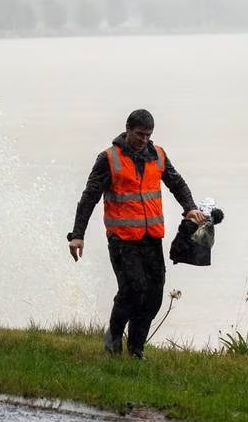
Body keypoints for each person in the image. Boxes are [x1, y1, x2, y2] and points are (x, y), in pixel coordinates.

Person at [66, 108, 205, 359]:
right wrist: (78, 234)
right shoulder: (109, 159)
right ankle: (113, 338)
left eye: (148, 135)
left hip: (151, 237)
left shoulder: (158, 155)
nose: (144, 140)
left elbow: (177, 183)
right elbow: (89, 198)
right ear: (127, 129)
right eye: (140, 134)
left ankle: (136, 350)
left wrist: (190, 208)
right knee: (133, 289)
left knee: (154, 295)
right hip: (121, 238)